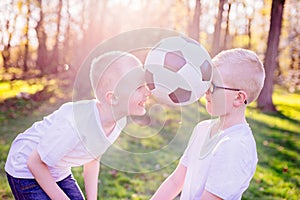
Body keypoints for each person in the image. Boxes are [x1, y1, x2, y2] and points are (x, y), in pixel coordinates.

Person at [5, 51, 151, 200]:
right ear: (113, 98)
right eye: (139, 87)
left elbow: (93, 158)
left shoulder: (118, 121)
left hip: (56, 169)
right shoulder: (75, 123)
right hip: (25, 168)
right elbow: (34, 163)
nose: (148, 91)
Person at [151, 48, 265, 200]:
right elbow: (176, 181)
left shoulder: (236, 146)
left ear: (238, 98)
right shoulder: (203, 129)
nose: (205, 92)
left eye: (213, 86)